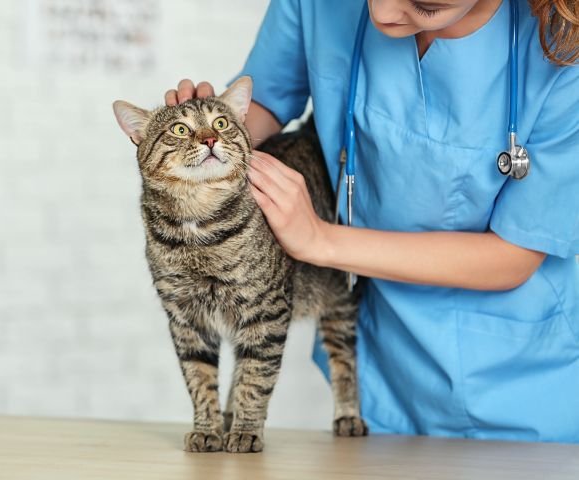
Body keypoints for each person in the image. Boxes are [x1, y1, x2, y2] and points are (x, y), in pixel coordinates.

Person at [164, 0, 579, 443]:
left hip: (523, 386)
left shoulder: (564, 52)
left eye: (425, 5)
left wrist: (320, 241)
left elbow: (514, 254)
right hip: (381, 368)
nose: (381, 13)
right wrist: (210, 133)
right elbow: (263, 100)